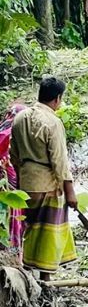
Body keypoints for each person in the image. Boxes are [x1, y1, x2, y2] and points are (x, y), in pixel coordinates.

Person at [10, 78, 78, 279]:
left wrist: (21, 180)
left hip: (27, 181)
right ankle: (45, 277)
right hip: (47, 183)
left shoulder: (20, 117)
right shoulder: (53, 122)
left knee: (29, 227)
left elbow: (13, 154)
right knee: (47, 231)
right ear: (57, 99)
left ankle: (27, 271)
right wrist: (70, 191)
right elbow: (60, 160)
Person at [0, 104, 27, 256]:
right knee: (13, 217)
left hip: (6, 184)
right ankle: (12, 256)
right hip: (10, 186)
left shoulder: (3, 131)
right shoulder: (14, 134)